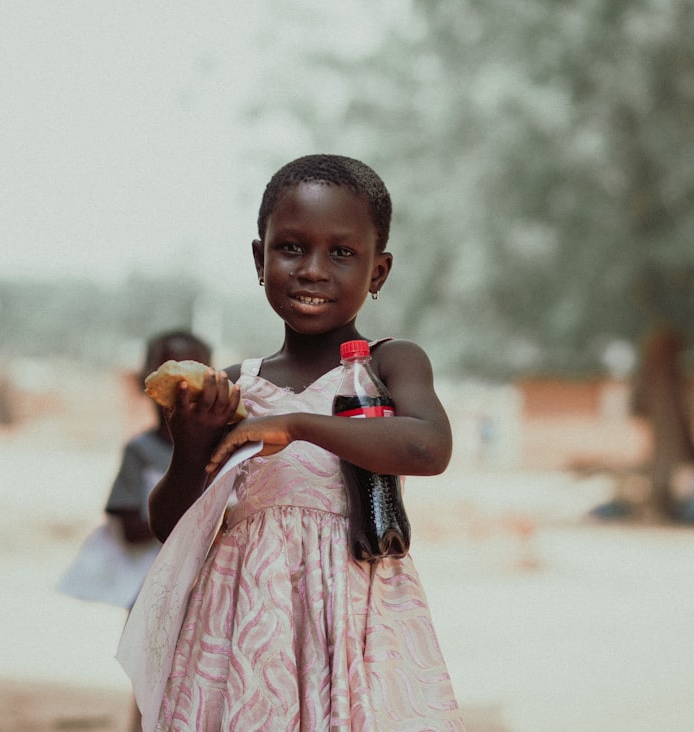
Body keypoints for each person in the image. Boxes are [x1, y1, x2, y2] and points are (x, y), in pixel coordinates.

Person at [125, 154, 464, 729]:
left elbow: (429, 448)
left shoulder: (388, 365)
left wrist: (299, 426)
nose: (312, 269)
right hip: (248, 622)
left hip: (356, 613)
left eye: (341, 252)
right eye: (290, 248)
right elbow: (169, 528)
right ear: (260, 258)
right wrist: (191, 446)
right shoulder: (234, 387)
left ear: (377, 273)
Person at [58, 330, 212, 732]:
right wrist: (183, 514)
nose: (182, 392)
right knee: (150, 684)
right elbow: (128, 527)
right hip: (152, 590)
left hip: (211, 587)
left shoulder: (226, 447)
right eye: (168, 376)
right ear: (147, 383)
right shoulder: (141, 452)